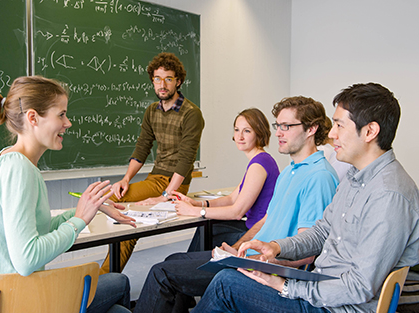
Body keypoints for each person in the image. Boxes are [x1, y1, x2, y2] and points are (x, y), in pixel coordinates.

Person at [192, 83, 419, 313]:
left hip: (336, 307)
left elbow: (359, 287)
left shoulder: (390, 195)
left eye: (339, 125)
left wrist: (287, 287)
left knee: (226, 285)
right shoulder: (355, 178)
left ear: (370, 131)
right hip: (319, 290)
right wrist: (276, 247)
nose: (331, 134)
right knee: (231, 278)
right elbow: (321, 232)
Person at [132, 96, 339, 313]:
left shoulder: (319, 177)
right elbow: (266, 220)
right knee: (171, 263)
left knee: (162, 273)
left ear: (311, 129)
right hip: (250, 259)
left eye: (286, 126)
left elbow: (309, 252)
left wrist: (265, 267)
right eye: (278, 125)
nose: (278, 132)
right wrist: (237, 249)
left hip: (266, 269)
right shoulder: (290, 170)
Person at [0, 76, 134, 313]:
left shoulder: (11, 159)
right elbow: (27, 260)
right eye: (61, 115)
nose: (68, 123)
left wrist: (87, 209)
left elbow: (37, 229)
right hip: (11, 303)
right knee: (119, 289)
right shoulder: (19, 169)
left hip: (4, 297)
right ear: (33, 118)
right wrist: (79, 221)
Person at [100, 52, 205, 274]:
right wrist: (126, 179)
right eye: (157, 79)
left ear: (178, 81)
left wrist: (167, 194)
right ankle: (107, 280)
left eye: (168, 78)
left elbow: (186, 159)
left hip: (175, 182)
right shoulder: (151, 111)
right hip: (155, 179)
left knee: (111, 201)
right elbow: (142, 148)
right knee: (123, 208)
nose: (162, 84)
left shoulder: (191, 113)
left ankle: (103, 282)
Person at [172, 108, 279, 252]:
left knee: (207, 230)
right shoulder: (259, 160)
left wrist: (195, 211)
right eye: (237, 130)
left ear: (259, 133)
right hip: (250, 226)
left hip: (256, 234)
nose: (240, 136)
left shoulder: (259, 164)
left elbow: (236, 212)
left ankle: (191, 267)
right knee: (209, 226)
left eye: (247, 131)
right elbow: (232, 199)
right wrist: (198, 204)